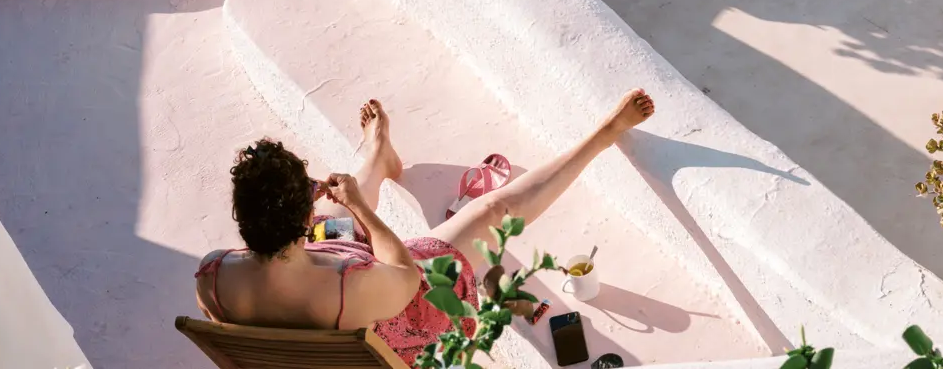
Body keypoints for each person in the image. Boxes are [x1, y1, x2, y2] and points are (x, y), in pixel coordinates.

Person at [195, 89, 655, 362]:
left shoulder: (212, 276)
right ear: (302, 220)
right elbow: (406, 277)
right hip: (382, 309)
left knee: (344, 212)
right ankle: (604, 135)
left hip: (323, 289)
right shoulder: (347, 286)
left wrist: (339, 210)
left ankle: (380, 154)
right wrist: (361, 209)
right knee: (491, 212)